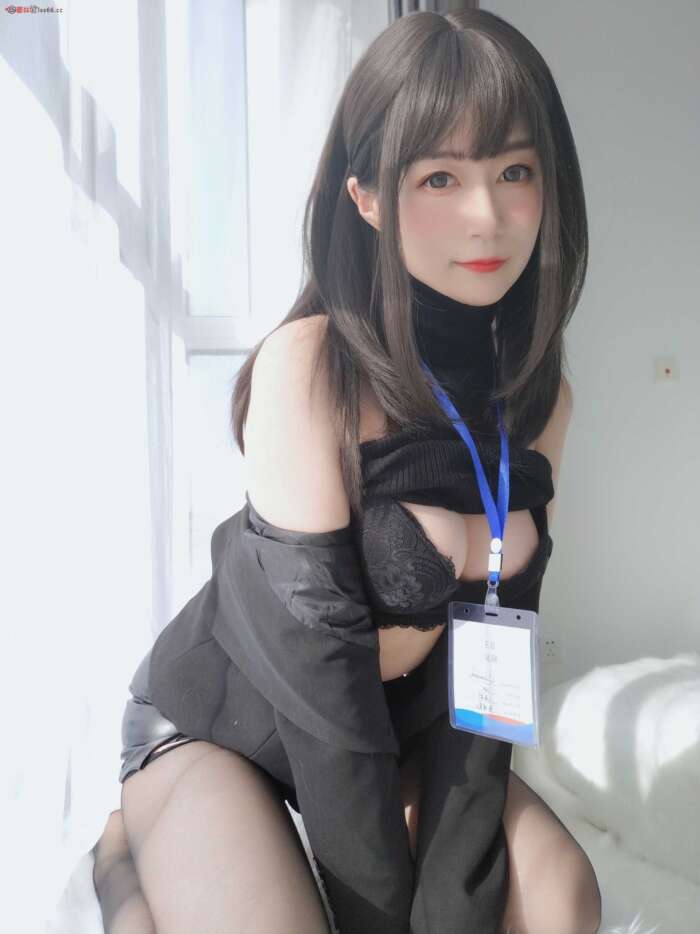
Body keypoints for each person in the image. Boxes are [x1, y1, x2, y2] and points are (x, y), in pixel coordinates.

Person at [91, 8, 601, 934]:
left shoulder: (541, 400)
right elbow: (321, 686)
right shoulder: (311, 368)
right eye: (440, 176)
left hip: (398, 731)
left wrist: (454, 903)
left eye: (514, 172)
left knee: (559, 900)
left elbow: (491, 674)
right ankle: (123, 855)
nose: (487, 215)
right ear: (365, 197)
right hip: (228, 729)